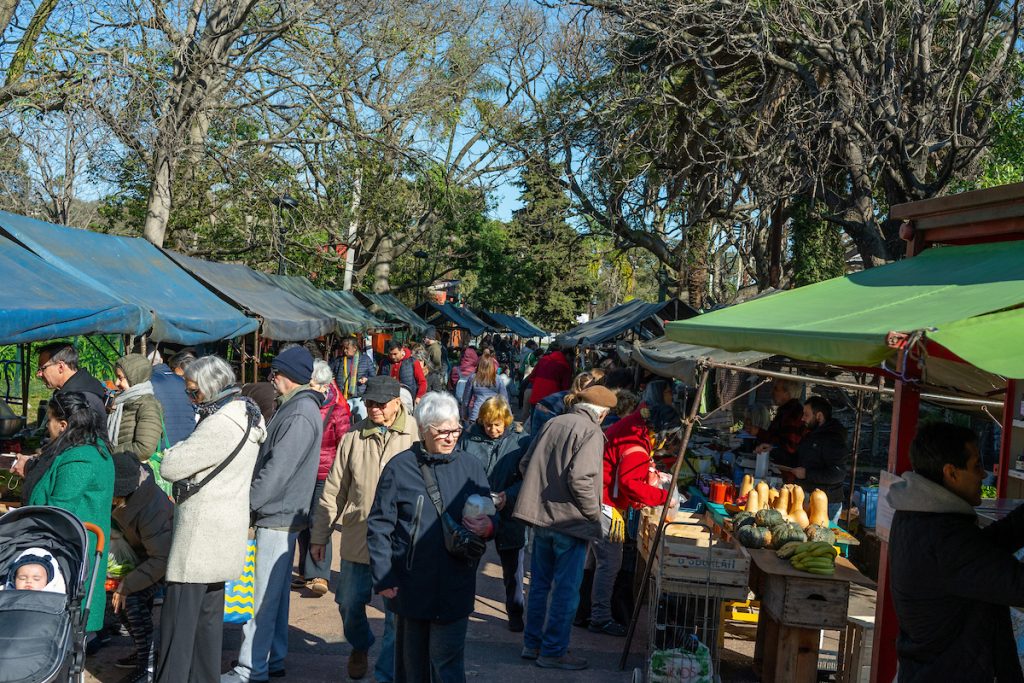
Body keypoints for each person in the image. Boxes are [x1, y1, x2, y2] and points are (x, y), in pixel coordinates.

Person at [367, 392, 495, 682]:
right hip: (411, 583)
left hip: (456, 581)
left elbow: (489, 513)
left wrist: (488, 527)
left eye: (455, 430)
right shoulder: (400, 468)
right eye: (442, 432)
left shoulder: (471, 467)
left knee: (447, 663)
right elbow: (379, 526)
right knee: (412, 667)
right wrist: (384, 576)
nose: (451, 437)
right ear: (424, 430)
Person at [155, 356, 266, 683]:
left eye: (194, 392)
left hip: (199, 538)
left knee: (177, 629)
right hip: (225, 531)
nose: (191, 398)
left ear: (210, 388)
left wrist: (176, 449)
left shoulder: (219, 423)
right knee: (207, 629)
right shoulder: (249, 415)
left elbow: (170, 466)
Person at [887, 421, 1024, 682]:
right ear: (951, 473)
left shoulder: (919, 516)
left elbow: (984, 550)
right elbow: (1014, 582)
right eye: (976, 466)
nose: (983, 475)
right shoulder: (944, 538)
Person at [224, 346, 324, 683]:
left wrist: (248, 503)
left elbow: (277, 470)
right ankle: (272, 658)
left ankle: (250, 668)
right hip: (282, 513)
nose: (273, 377)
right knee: (275, 598)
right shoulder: (300, 409)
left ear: (289, 375)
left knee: (261, 600)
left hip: (278, 514)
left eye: (276, 372)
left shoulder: (299, 413)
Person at [310, 375, 418, 681]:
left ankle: (385, 674)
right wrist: (320, 535)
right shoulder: (353, 438)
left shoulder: (417, 436)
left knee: (397, 618)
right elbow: (333, 492)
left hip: (399, 543)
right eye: (369, 402)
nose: (374, 409)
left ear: (397, 403)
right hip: (359, 539)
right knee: (347, 603)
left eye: (380, 404)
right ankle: (360, 644)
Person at [514, 385, 618, 670]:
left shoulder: (553, 421)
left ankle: (532, 644)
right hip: (569, 523)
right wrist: (594, 516)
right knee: (565, 591)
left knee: (539, 585)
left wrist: (543, 493)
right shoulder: (592, 432)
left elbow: (525, 463)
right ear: (603, 413)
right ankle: (553, 651)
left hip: (542, 519)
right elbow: (581, 479)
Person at [20, 391, 114, 635]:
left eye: (49, 420)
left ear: (63, 425)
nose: (46, 426)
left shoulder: (80, 458)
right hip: (68, 548)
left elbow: (59, 511)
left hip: (70, 554)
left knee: (66, 630)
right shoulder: (82, 450)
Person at [586, 405, 681, 636]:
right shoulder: (637, 445)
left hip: (600, 496)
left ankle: (584, 611)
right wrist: (662, 497)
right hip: (607, 503)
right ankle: (599, 617)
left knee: (594, 561)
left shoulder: (634, 425)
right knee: (609, 563)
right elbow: (629, 483)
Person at [457, 396, 530, 632]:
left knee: (513, 568)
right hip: (476, 507)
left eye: (498, 424)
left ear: (507, 421)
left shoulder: (521, 442)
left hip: (509, 510)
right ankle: (461, 609)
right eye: (488, 424)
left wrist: (508, 495)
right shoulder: (468, 439)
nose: (493, 429)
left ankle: (515, 612)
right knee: (468, 561)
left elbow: (528, 479)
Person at [109, 451, 174, 683]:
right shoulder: (132, 497)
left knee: (131, 598)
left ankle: (147, 664)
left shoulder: (149, 508)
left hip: (167, 563)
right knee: (117, 596)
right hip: (145, 559)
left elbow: (162, 559)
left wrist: (127, 584)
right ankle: (143, 651)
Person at [293, 360, 351, 596]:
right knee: (303, 522)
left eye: (313, 384)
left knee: (320, 521)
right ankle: (307, 571)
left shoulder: (339, 409)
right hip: (302, 471)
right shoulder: (303, 403)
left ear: (325, 385)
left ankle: (320, 574)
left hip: (325, 473)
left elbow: (344, 444)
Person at [786, 396, 848, 521]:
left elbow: (837, 474)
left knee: (821, 538)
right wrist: (772, 449)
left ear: (819, 416)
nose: (802, 418)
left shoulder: (833, 439)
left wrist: (807, 474)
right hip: (809, 497)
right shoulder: (812, 435)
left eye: (806, 415)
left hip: (827, 503)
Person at [109, 354, 165, 462]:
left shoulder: (148, 406)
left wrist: (109, 452)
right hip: (120, 466)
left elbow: (144, 449)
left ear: (134, 377)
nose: (116, 383)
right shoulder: (124, 401)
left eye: (120, 378)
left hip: (134, 473)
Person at [35, 342, 107, 424]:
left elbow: (77, 435)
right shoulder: (78, 387)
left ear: (60, 367)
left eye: (43, 368)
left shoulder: (80, 399)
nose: (39, 374)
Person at [528, 370, 603, 436]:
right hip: (550, 411)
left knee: (535, 439)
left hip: (541, 405)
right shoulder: (576, 399)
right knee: (545, 441)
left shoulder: (568, 393)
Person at [147, 349, 195, 446]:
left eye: (173, 369)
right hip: (187, 442)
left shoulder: (148, 382)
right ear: (161, 360)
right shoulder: (183, 384)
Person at [752, 379, 805, 467]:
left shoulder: (792, 413)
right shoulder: (785, 411)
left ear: (787, 393)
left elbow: (789, 446)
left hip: (787, 468)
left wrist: (759, 433)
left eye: (776, 389)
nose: (772, 392)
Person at [460, 350, 509, 423]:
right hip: (493, 415)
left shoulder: (473, 378)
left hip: (476, 415)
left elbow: (466, 400)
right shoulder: (498, 379)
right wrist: (508, 416)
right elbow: (505, 400)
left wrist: (464, 414)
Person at [380, 340, 427, 408]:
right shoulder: (384, 363)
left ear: (402, 350)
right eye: (390, 354)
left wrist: (419, 396)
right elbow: (379, 380)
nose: (392, 357)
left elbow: (422, 382)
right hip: (388, 400)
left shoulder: (413, 362)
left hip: (407, 401)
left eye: (395, 354)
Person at [527, 344, 574, 409]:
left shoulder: (543, 359)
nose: (571, 361)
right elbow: (565, 387)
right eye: (571, 359)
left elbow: (532, 378)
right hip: (551, 401)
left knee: (534, 418)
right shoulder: (565, 366)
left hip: (536, 397)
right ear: (568, 355)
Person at [332, 337, 375, 401]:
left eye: (347, 348)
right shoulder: (339, 360)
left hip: (360, 398)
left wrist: (367, 379)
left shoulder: (365, 360)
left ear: (354, 348)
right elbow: (331, 374)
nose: (344, 350)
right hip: (342, 397)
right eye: (343, 348)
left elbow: (373, 377)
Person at [422, 327, 448, 393]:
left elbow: (437, 364)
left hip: (432, 375)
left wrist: (427, 369)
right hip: (428, 374)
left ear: (429, 337)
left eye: (425, 338)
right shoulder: (429, 346)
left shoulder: (435, 348)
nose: (423, 339)